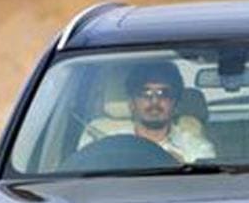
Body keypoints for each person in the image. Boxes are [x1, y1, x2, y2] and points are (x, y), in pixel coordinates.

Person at [80, 61, 216, 162]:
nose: (154, 101)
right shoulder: (104, 144)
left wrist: (183, 168)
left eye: (163, 93)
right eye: (145, 93)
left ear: (175, 102)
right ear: (132, 103)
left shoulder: (196, 148)